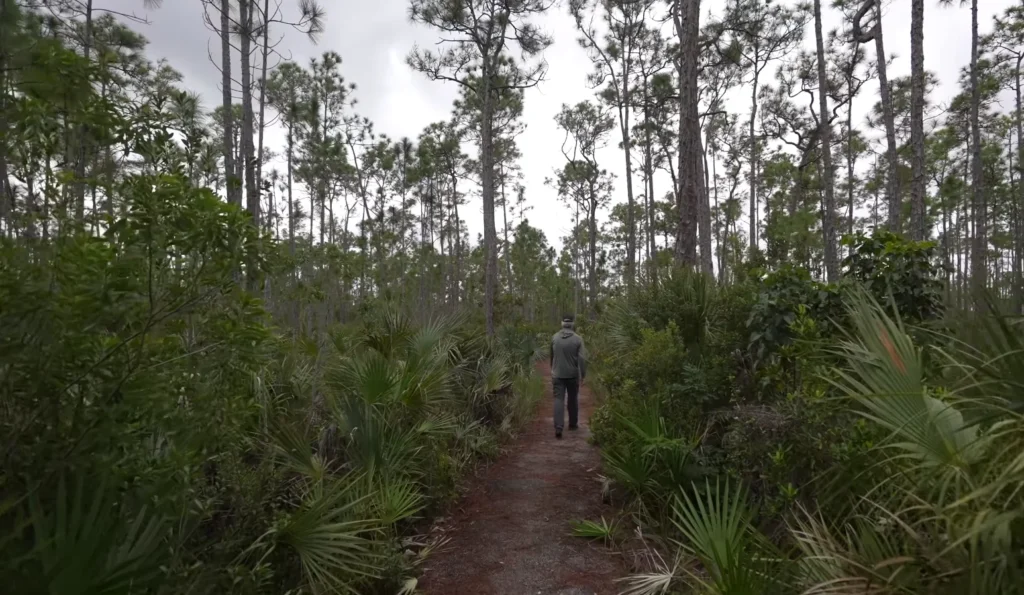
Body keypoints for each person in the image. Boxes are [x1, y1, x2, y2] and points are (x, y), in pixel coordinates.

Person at [550, 313, 586, 439]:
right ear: (572, 324)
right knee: (572, 399)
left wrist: (553, 370)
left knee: (558, 399)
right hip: (572, 375)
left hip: (557, 374)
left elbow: (552, 356)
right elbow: (582, 359)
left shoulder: (554, 337)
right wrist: (583, 374)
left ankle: (558, 428)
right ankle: (572, 424)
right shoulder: (578, 339)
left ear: (562, 323)